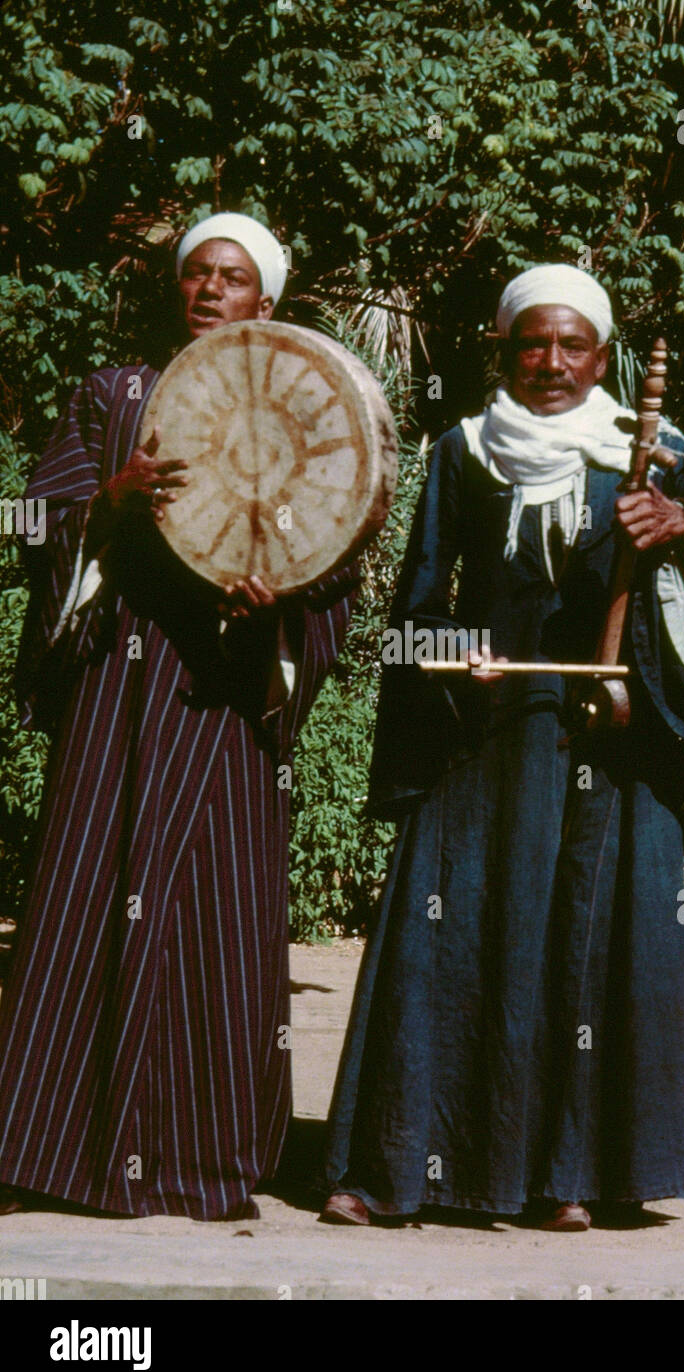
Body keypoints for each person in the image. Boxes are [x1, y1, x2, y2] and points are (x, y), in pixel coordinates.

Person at [321, 264, 684, 1230]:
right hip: (482, 737)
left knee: (580, 937)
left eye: (571, 344)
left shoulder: (647, 451)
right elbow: (417, 604)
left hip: (607, 744)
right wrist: (455, 655)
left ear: (603, 356)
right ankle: (396, 1166)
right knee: (446, 933)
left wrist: (681, 523)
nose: (551, 362)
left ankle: (566, 1174)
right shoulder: (462, 452)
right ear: (502, 350)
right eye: (532, 342)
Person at [0, 213, 359, 1221]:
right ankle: (54, 1150)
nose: (209, 290)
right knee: (87, 890)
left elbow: (335, 552)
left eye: (232, 277)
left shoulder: (305, 407)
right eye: (196, 273)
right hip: (120, 690)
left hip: (229, 696)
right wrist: (109, 505)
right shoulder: (117, 396)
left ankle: (204, 1159)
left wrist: (278, 605)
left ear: (267, 302)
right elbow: (41, 526)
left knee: (221, 919)